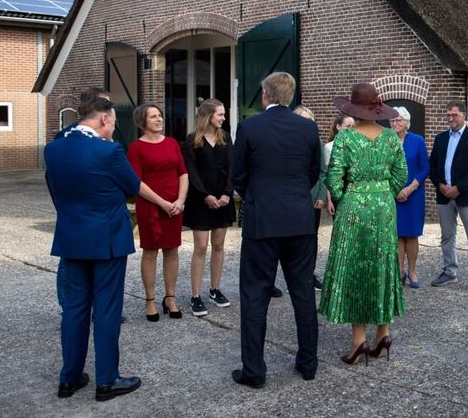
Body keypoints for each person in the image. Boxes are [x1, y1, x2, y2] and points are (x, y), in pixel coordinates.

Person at [46, 97, 169, 402]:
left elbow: (55, 189)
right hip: (107, 240)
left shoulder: (54, 148)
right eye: (113, 122)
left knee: (74, 309)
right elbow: (130, 186)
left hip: (72, 237)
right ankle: (107, 380)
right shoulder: (107, 150)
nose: (113, 128)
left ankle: (69, 378)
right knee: (106, 309)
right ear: (103, 119)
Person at [231, 72, 322, 387]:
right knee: (303, 293)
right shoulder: (308, 128)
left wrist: (257, 196)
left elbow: (237, 175)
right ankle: (308, 363)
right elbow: (312, 173)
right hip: (299, 220)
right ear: (290, 95)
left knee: (255, 296)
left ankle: (254, 370)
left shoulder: (250, 127)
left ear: (266, 95)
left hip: (263, 221)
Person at [319, 83, 408, 365]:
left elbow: (333, 179)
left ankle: (358, 342)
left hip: (354, 209)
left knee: (357, 266)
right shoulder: (392, 138)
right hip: (384, 207)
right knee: (382, 264)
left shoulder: (345, 140)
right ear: (377, 109)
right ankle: (383, 334)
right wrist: (382, 192)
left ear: (354, 111)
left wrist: (351, 196)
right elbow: (401, 175)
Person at [127, 103, 188, 321]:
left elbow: (183, 173)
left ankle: (170, 297)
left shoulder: (172, 143)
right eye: (153, 116)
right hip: (151, 206)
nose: (159, 119)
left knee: (172, 250)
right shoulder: (136, 147)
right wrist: (162, 203)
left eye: (160, 115)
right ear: (142, 122)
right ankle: (150, 300)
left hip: (175, 206)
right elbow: (137, 182)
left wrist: (180, 200)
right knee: (151, 251)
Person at [54, 86, 110, 311]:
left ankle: (97, 306)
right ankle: (68, 306)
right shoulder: (67, 136)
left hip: (101, 214)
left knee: (99, 263)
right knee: (71, 261)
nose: (111, 109)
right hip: (77, 211)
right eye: (106, 104)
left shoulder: (107, 136)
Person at [428, 100, 468, 292]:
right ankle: (449, 271)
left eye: (454, 115)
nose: (450, 118)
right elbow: (433, 165)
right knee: (447, 236)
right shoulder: (440, 139)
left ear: (464, 115)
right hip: (444, 195)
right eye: (448, 115)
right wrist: (440, 185)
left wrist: (458, 188)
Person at [182, 99, 235, 317]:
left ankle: (214, 289)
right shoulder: (192, 139)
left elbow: (233, 168)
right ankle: (195, 295)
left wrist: (227, 194)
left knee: (220, 244)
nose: (223, 118)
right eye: (219, 114)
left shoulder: (226, 137)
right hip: (200, 198)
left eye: (223, 114)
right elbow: (191, 171)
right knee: (201, 247)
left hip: (222, 197)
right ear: (208, 116)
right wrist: (205, 196)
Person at [390, 106, 429, 288]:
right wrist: (396, 189)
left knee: (412, 234)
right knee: (397, 234)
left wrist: (409, 189)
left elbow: (424, 168)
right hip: (393, 195)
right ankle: (399, 271)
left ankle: (412, 271)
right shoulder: (386, 141)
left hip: (413, 195)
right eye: (392, 120)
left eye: (398, 120)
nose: (394, 123)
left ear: (406, 122)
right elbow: (383, 167)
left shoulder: (417, 141)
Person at [294, 105, 327, 289]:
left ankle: (309, 273)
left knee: (311, 238)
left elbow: (323, 171)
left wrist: (321, 195)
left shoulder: (316, 141)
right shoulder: (287, 140)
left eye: (310, 120)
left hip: (312, 198)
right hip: (292, 199)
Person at [322, 113, 355, 213]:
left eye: (353, 126)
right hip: (338, 192)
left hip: (355, 192)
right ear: (338, 127)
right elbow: (327, 175)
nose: (351, 129)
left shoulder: (357, 146)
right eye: (348, 126)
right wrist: (329, 200)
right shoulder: (329, 147)